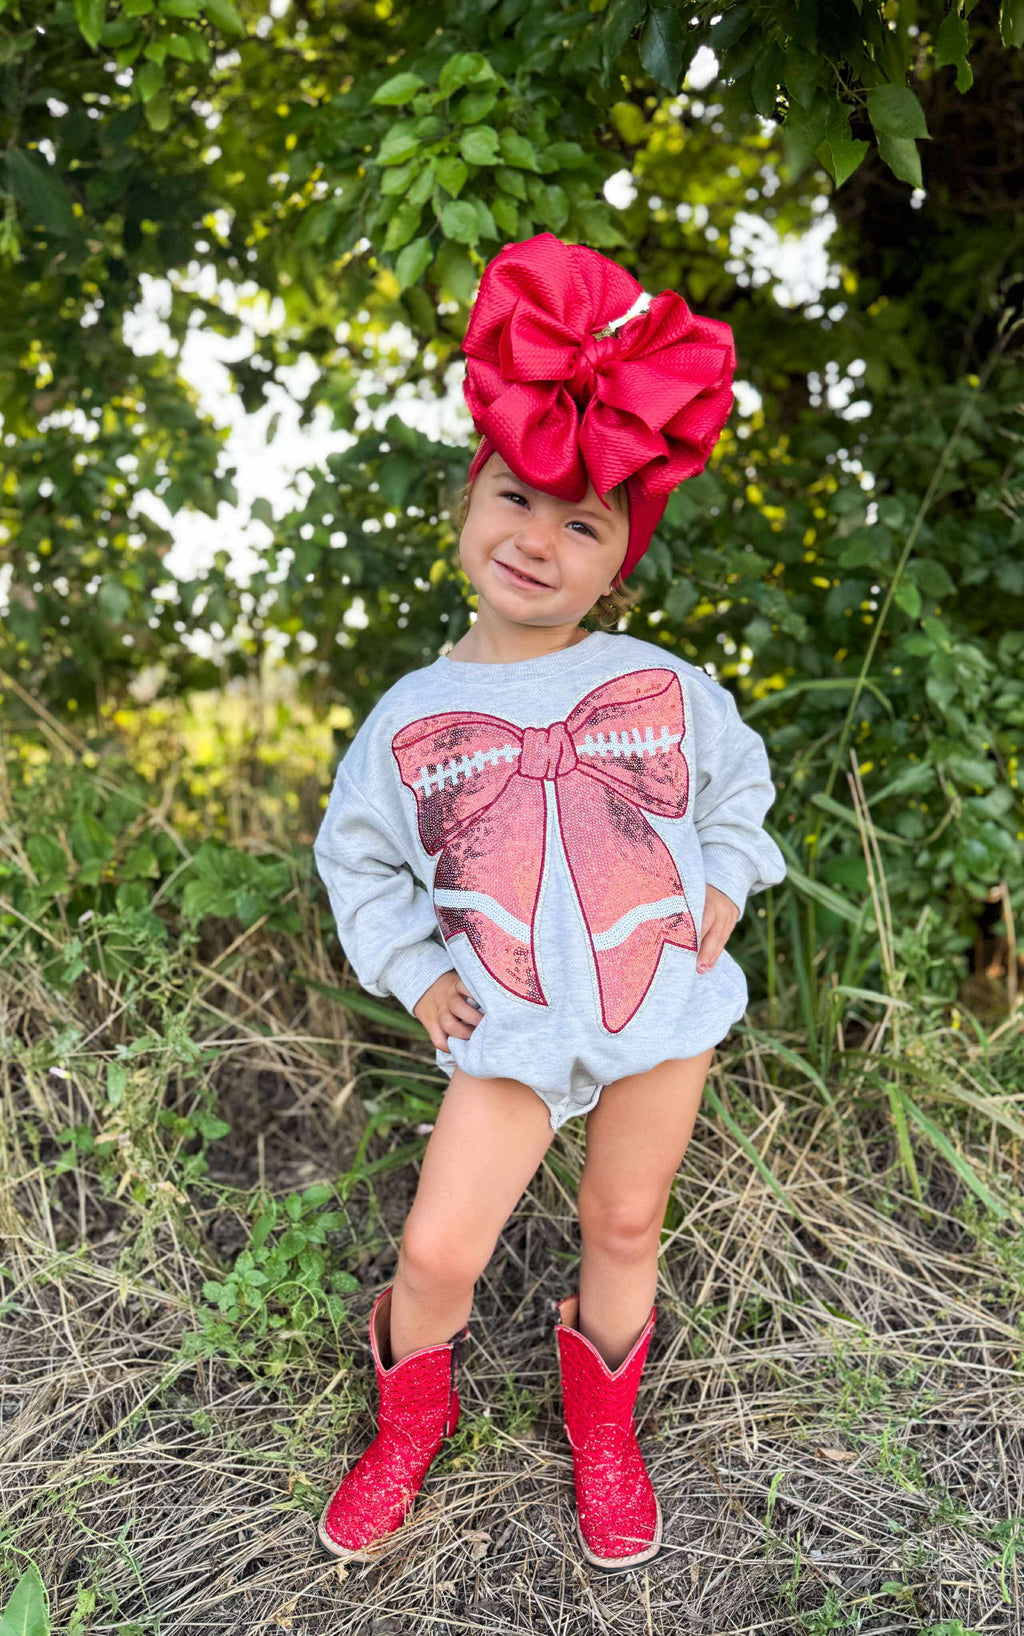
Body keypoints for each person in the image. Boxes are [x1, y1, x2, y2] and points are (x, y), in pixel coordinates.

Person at [312, 232, 787, 1573]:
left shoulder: (664, 684)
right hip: (510, 1023)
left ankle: (605, 1426)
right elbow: (359, 863)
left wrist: (723, 882)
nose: (538, 539)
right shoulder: (412, 715)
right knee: (438, 1247)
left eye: (582, 524)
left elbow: (737, 792)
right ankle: (411, 1422)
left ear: (617, 565)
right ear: (465, 505)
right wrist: (417, 972)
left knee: (624, 1222)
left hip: (658, 1001)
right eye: (516, 499)